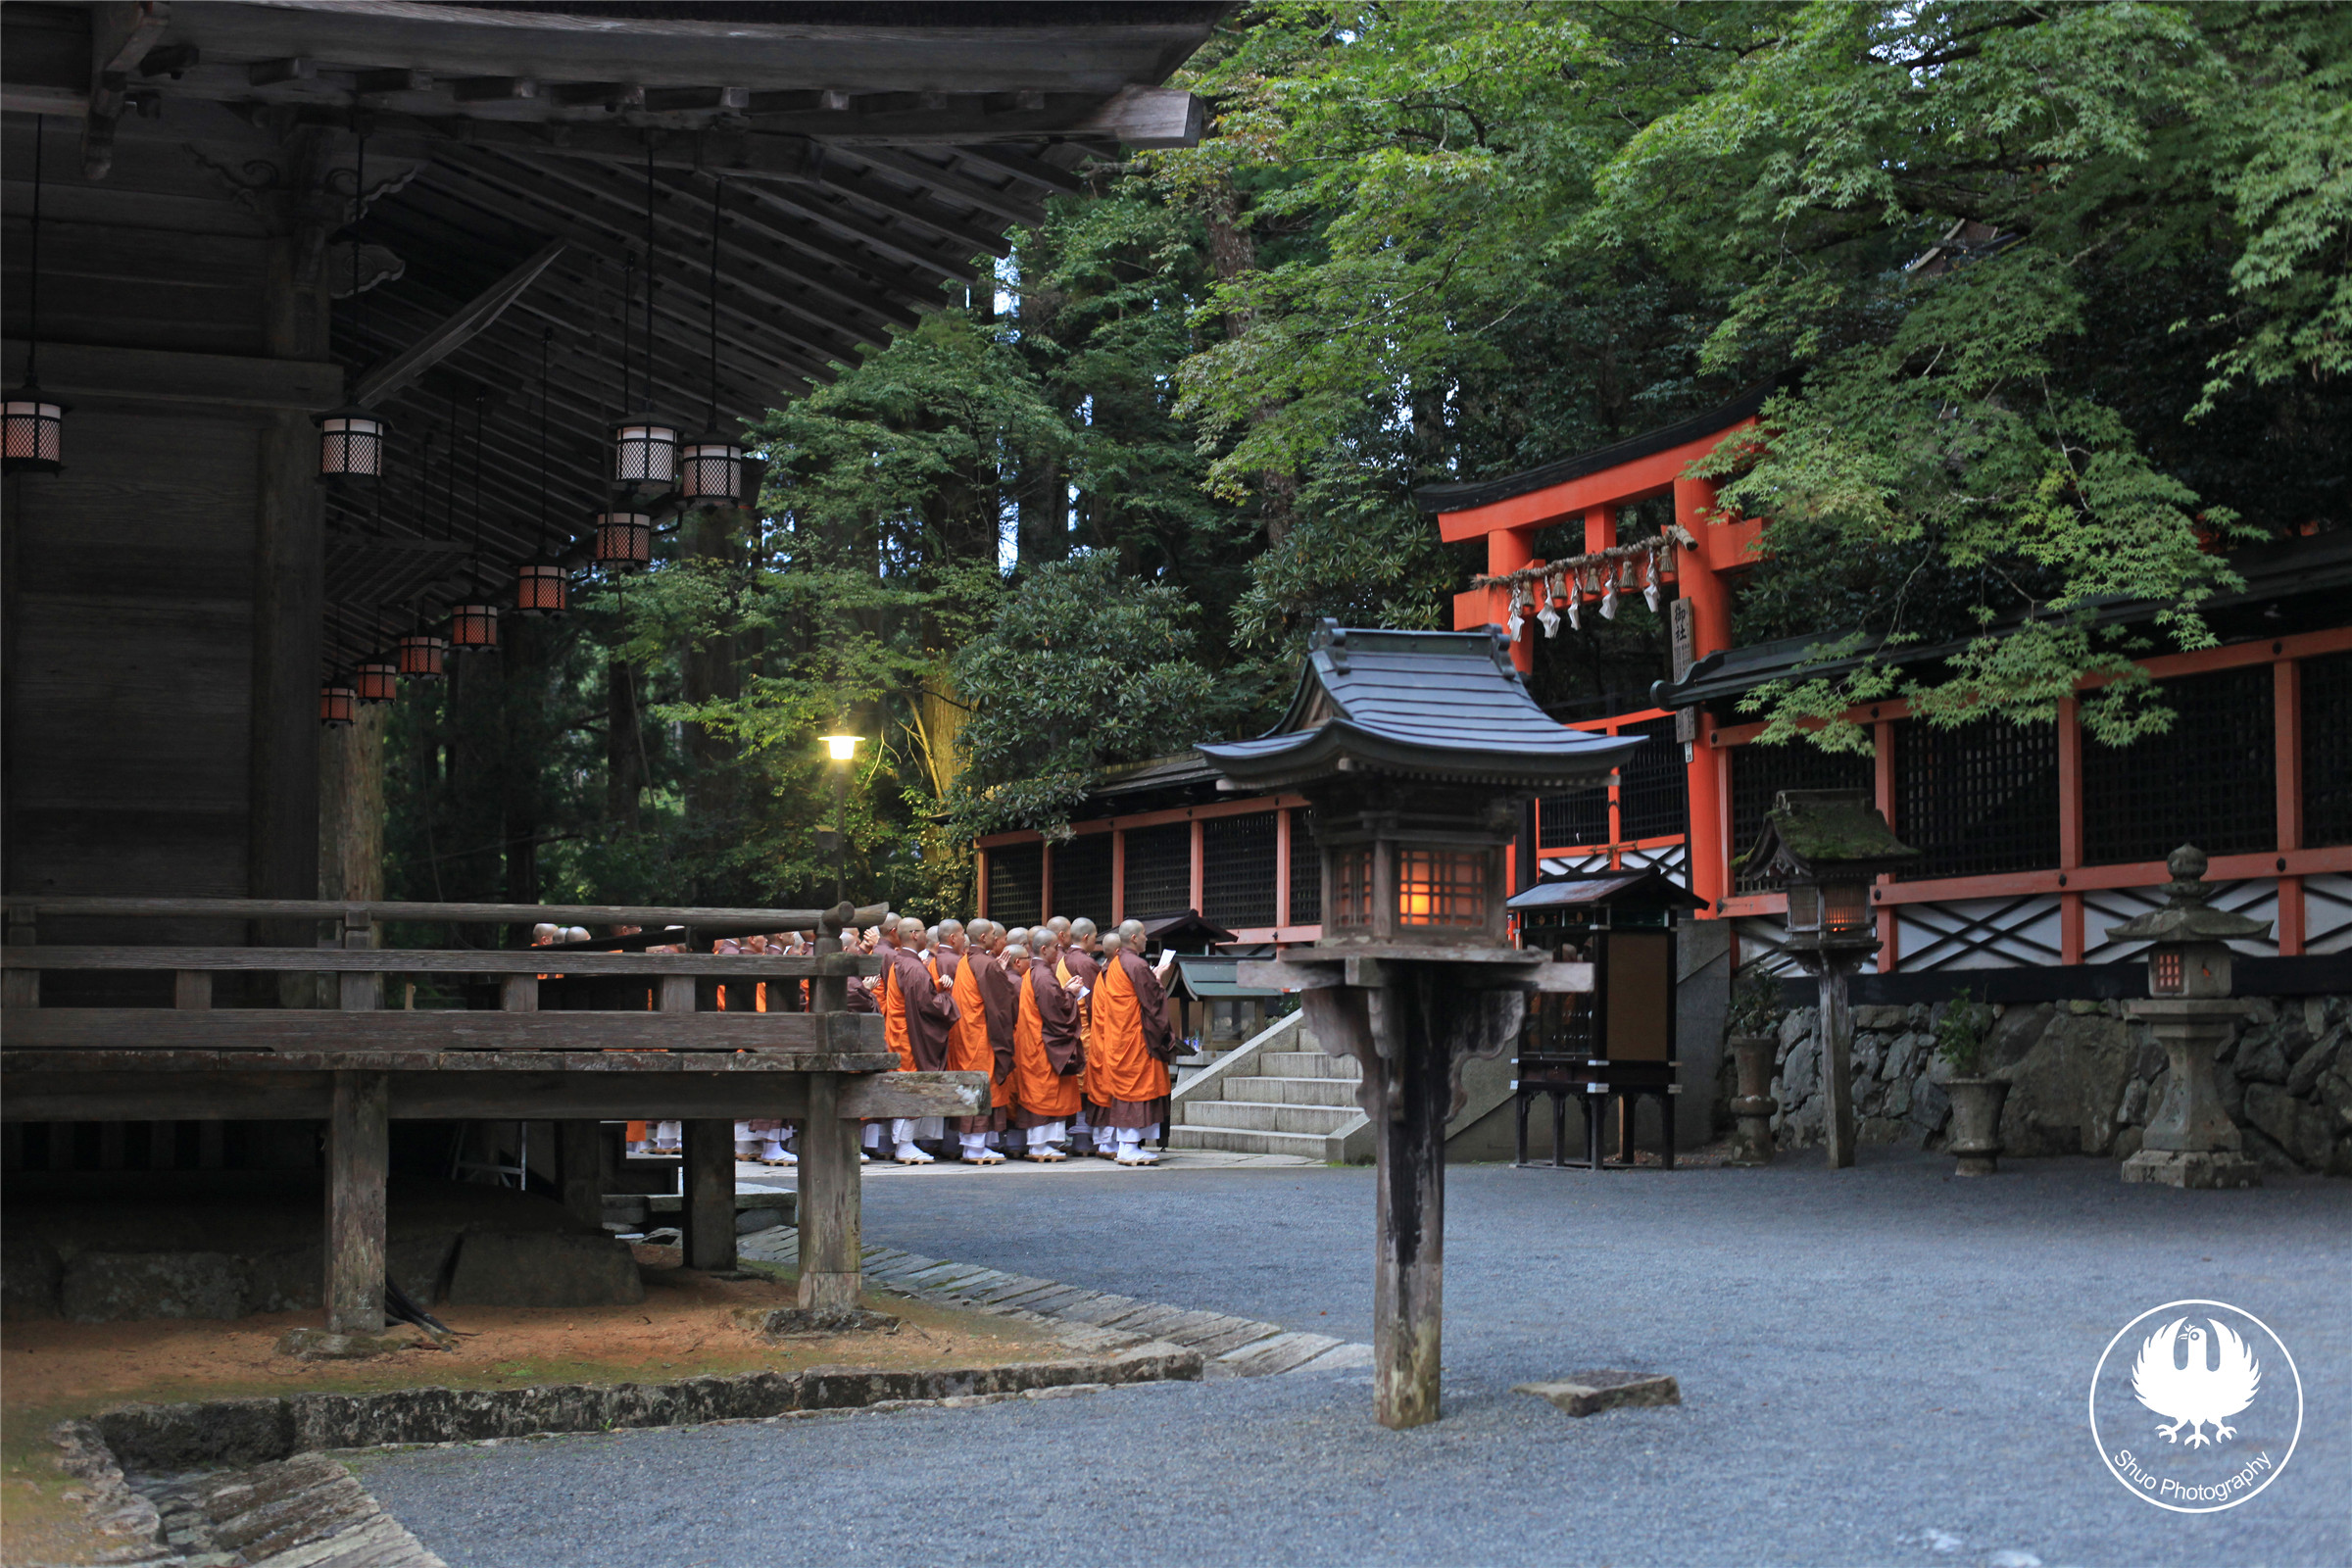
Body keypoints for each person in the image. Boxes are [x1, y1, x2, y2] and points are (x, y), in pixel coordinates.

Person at [1089, 929, 1179, 1165]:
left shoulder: (1116, 964)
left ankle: (1125, 1145)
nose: (1147, 939)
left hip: (1120, 1038)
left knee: (1129, 1090)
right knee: (1136, 1090)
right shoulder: (1135, 965)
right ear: (1135, 938)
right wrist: (1158, 978)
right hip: (1136, 1041)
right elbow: (1152, 1001)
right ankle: (1128, 1148)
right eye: (1144, 935)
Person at [879, 915, 957, 1162]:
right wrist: (946, 999)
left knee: (907, 1085)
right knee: (910, 1087)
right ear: (914, 934)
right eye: (923, 931)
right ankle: (904, 1145)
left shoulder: (902, 961)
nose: (926, 936)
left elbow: (916, 993)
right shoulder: (912, 966)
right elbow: (926, 1005)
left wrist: (936, 984)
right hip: (909, 1037)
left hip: (901, 1032)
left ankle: (905, 1143)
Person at [1008, 936, 1085, 1160]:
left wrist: (1064, 990)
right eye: (1055, 947)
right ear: (1044, 949)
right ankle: (1039, 1145)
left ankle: (1041, 1144)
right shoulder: (1042, 975)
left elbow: (1050, 1002)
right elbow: (1056, 1013)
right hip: (1043, 1047)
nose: (1058, 951)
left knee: (1044, 1092)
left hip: (1035, 1043)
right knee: (1044, 1094)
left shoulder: (1036, 973)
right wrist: (1071, 994)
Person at [945, 920, 1008, 1162]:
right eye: (993, 934)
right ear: (983, 937)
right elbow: (1000, 1004)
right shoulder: (985, 963)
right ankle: (976, 1147)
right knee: (982, 1085)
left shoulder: (966, 960)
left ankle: (973, 1145)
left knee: (971, 1086)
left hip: (964, 1034)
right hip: (981, 1035)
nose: (996, 938)